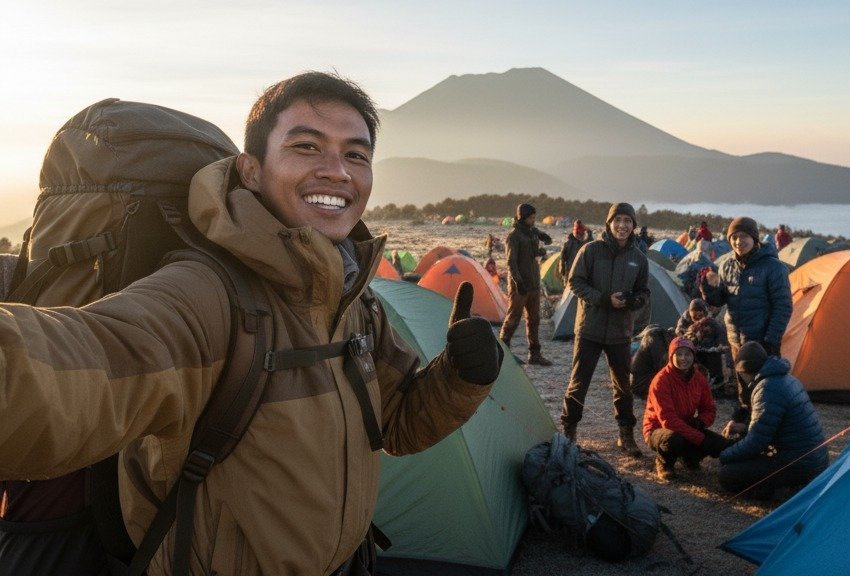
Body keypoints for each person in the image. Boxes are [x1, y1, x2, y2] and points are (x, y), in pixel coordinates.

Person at [0, 72, 502, 575]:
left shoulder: (354, 302)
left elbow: (398, 424)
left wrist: (459, 377)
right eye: (306, 146)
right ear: (252, 170)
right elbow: (70, 370)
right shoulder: (207, 294)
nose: (337, 171)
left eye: (355, 154)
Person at [561, 203, 650, 456]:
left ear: (633, 225)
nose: (622, 225)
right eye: (618, 220)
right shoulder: (591, 250)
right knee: (579, 382)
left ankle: (626, 434)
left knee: (623, 385)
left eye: (627, 221)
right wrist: (603, 299)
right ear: (609, 223)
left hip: (620, 332)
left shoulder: (638, 258)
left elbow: (644, 291)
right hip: (590, 327)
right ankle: (569, 430)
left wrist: (634, 301)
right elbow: (574, 282)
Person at [718, 342, 828, 498]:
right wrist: (744, 428)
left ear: (745, 371)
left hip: (799, 464)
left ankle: (784, 489)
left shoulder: (766, 388)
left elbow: (756, 442)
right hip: (815, 460)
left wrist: (725, 455)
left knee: (728, 475)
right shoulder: (785, 377)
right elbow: (771, 426)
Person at [700, 216, 792, 360]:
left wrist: (771, 340)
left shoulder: (774, 267)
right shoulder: (726, 266)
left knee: (764, 383)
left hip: (762, 343)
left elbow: (783, 306)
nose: (738, 242)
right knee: (742, 382)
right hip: (736, 342)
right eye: (734, 237)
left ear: (754, 238)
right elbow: (722, 299)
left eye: (744, 236)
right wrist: (707, 290)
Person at [643, 337, 733, 481]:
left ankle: (689, 458)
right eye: (678, 354)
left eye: (687, 354)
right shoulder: (661, 381)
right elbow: (668, 420)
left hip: (688, 424)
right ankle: (665, 463)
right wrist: (699, 438)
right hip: (658, 429)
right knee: (674, 440)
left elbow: (709, 408)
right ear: (671, 356)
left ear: (693, 356)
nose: (683, 358)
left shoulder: (699, 379)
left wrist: (700, 423)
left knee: (718, 444)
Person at [499, 203, 553, 366]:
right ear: (523, 217)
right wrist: (518, 282)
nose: (533, 220)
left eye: (534, 217)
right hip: (520, 285)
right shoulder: (514, 236)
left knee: (534, 319)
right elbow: (511, 262)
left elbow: (531, 253)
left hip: (533, 282)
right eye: (531, 217)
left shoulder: (532, 233)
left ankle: (535, 354)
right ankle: (502, 351)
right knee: (513, 318)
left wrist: (541, 249)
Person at [677, 299, 725, 391]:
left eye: (700, 315)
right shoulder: (686, 317)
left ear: (704, 312)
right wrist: (690, 335)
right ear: (690, 314)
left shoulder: (711, 321)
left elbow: (720, 334)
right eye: (694, 317)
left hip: (708, 346)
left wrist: (720, 345)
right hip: (691, 344)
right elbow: (679, 331)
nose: (697, 318)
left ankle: (714, 378)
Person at [629, 324, 673, 399]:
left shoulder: (654, 336)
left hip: (636, 382)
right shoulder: (655, 338)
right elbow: (662, 366)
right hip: (641, 386)